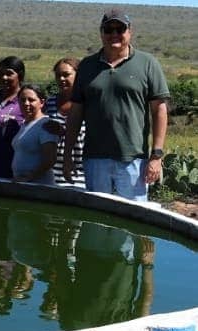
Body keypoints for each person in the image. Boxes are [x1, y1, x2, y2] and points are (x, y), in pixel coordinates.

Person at [63, 9, 169, 201]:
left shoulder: (147, 63)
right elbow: (76, 113)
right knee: (97, 219)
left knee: (133, 220)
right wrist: (68, 154)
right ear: (101, 32)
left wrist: (156, 155)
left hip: (133, 159)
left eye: (119, 29)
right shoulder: (87, 66)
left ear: (130, 31)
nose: (114, 34)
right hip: (95, 158)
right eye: (108, 29)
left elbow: (159, 110)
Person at [45, 58, 85, 188]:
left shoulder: (88, 104)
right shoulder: (49, 103)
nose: (61, 79)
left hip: (80, 172)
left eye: (66, 75)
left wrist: (64, 131)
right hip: (51, 173)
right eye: (58, 75)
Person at [11, 84, 58, 185]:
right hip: (24, 185)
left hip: (40, 186)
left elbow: (50, 159)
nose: (26, 103)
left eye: (31, 100)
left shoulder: (46, 125)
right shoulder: (24, 125)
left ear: (41, 102)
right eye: (22, 100)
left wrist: (29, 177)